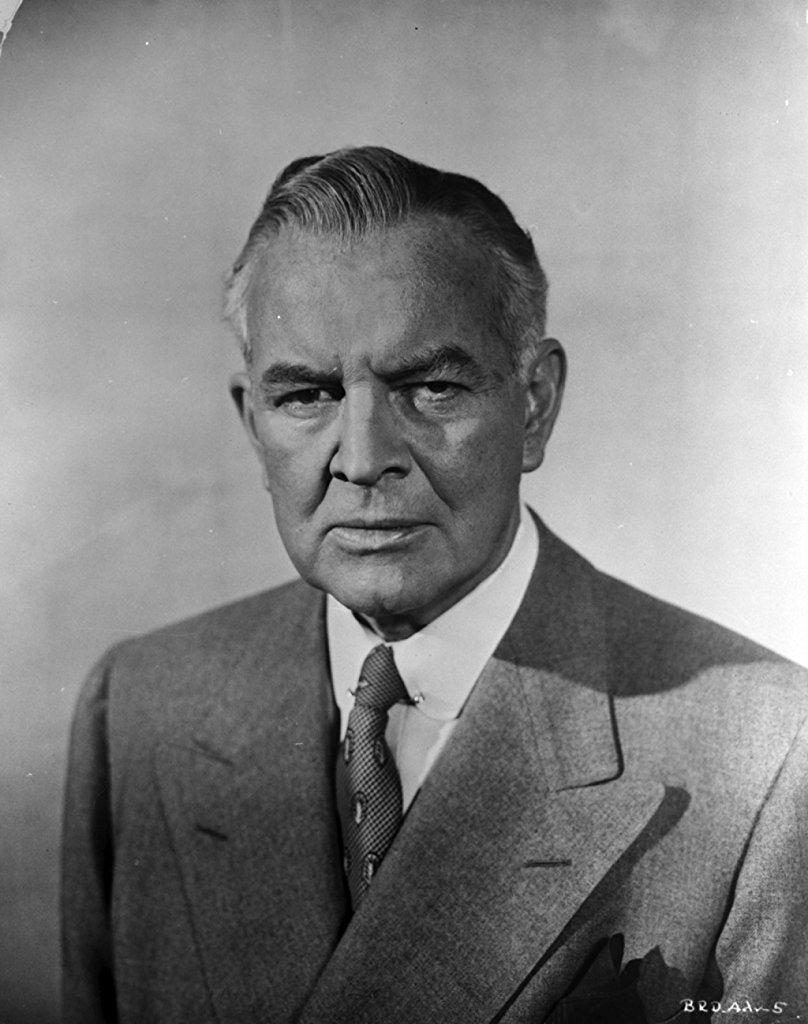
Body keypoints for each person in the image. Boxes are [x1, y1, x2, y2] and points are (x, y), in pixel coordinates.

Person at [62, 146, 808, 1024]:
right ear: (252, 424)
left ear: (535, 404)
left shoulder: (771, 756)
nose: (364, 459)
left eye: (431, 388)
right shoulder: (141, 708)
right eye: (306, 396)